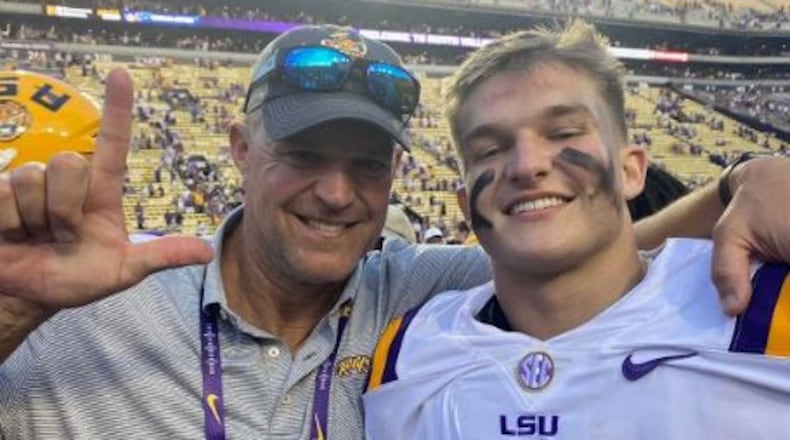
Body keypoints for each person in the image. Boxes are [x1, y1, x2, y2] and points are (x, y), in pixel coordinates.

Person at [0, 24, 789, 440]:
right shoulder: (82, 309)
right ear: (240, 149)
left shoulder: (422, 301)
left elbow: (576, 241)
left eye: (369, 165)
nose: (337, 193)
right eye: (304, 156)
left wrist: (743, 178)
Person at [363, 20, 790, 439]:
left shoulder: (767, 307)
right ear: (464, 205)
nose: (528, 165)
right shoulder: (407, 353)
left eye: (564, 132)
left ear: (630, 171)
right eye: (490, 149)